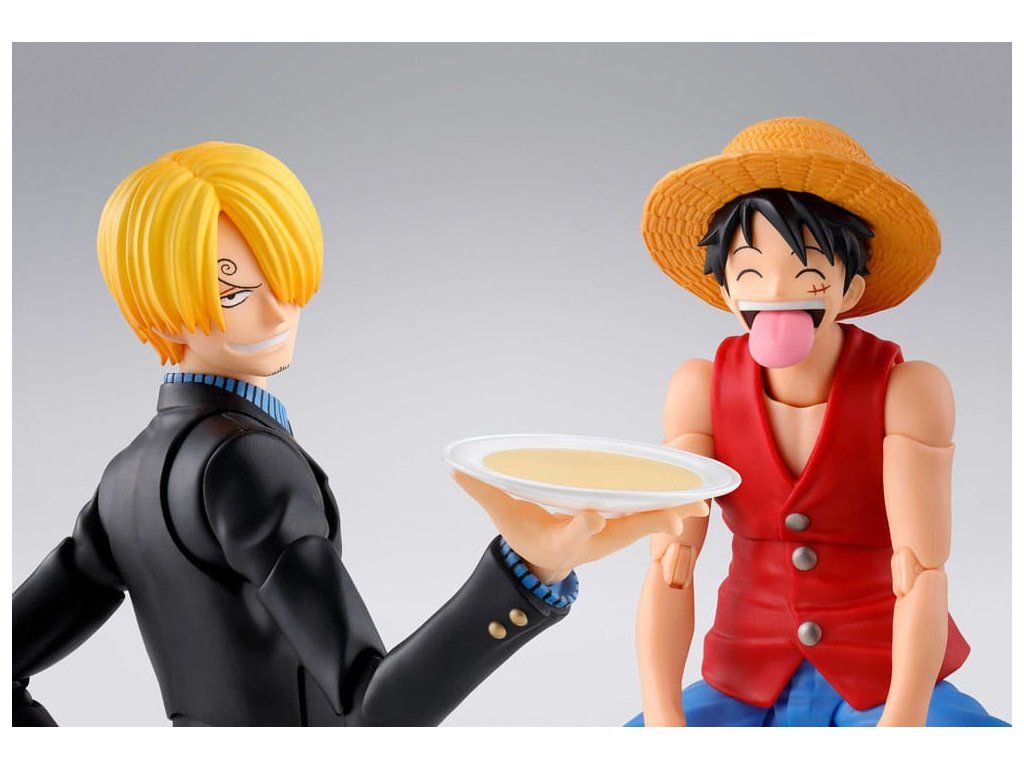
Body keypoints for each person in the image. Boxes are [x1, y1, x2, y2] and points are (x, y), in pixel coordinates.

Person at [13, 141, 688, 726]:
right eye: (232, 293)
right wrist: (528, 572)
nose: (278, 311)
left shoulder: (124, 476)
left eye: (282, 273)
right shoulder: (246, 462)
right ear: (157, 309)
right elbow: (373, 711)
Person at [627, 117, 1008, 727]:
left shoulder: (907, 390)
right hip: (745, 674)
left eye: (807, 274)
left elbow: (922, 570)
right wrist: (662, 715)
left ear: (849, 288)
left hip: (882, 674)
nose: (776, 293)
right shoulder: (699, 390)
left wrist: (904, 721)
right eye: (751, 273)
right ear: (725, 289)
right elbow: (670, 566)